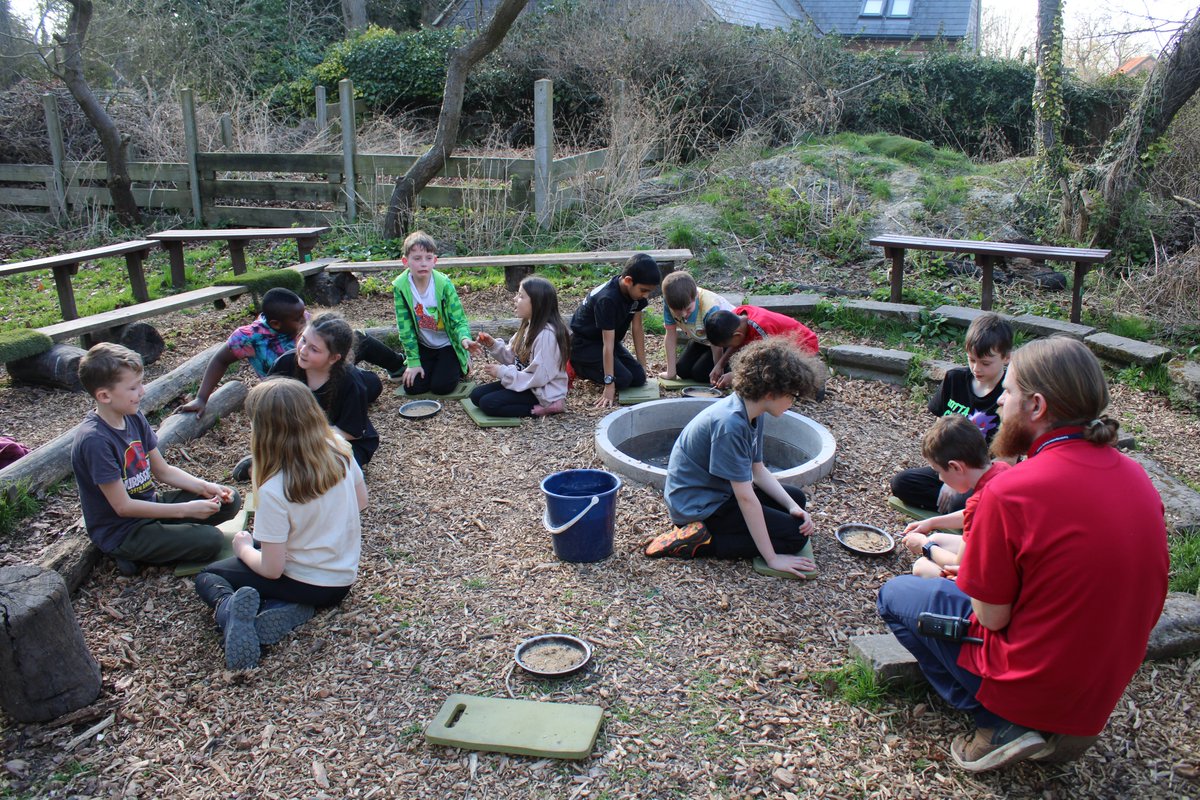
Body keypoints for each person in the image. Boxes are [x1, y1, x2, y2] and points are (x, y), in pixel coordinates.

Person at [877, 337, 1168, 773]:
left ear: (1036, 406)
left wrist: (939, 561)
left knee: (897, 594)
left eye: (1008, 393)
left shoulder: (1013, 490)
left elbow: (991, 617)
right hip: (1100, 688)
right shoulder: (1137, 477)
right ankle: (1060, 724)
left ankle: (999, 721)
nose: (998, 405)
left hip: (1035, 677)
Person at [193, 379, 366, 670]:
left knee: (208, 576)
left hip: (306, 581)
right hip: (342, 580)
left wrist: (244, 548)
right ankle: (282, 610)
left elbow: (272, 569)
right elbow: (361, 502)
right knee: (267, 550)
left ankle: (229, 611)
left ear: (262, 430)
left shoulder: (275, 488)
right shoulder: (339, 447)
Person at [644, 338, 824, 577]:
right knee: (793, 538)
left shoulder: (752, 411)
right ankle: (700, 542)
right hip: (698, 508)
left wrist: (791, 507)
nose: (792, 402)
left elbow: (758, 471)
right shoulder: (730, 425)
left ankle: (728, 531)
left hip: (717, 494)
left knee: (796, 499)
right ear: (771, 392)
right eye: (792, 395)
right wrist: (772, 558)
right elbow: (746, 498)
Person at [71, 343, 241, 575]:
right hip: (123, 530)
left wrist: (206, 487)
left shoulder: (132, 416)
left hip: (149, 506)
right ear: (104, 395)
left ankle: (160, 539)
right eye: (133, 387)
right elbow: (122, 507)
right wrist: (186, 510)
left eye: (140, 384)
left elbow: (163, 471)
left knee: (230, 500)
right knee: (211, 541)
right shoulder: (95, 441)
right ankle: (125, 552)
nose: (142, 392)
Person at [890, 312, 1012, 513]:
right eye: (971, 359)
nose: (976, 368)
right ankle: (961, 512)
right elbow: (941, 436)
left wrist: (962, 482)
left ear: (1006, 357)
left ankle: (962, 510)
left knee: (961, 502)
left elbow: (1007, 461)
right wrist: (949, 477)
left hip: (985, 479)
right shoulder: (955, 379)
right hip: (950, 469)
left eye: (985, 363)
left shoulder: (1008, 394)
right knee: (902, 483)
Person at [899, 415, 1010, 579]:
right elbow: (971, 513)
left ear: (955, 467)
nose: (939, 478)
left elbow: (960, 565)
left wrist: (925, 546)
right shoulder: (1002, 469)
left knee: (922, 566)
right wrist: (931, 522)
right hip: (1002, 555)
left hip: (1001, 575)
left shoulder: (983, 500)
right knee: (937, 538)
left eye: (939, 471)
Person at [268, 313, 380, 468]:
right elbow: (264, 405)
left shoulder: (351, 382)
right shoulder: (284, 364)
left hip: (339, 439)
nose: (303, 350)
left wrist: (304, 438)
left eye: (314, 349)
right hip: (293, 437)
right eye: (304, 340)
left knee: (322, 469)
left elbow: (351, 432)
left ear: (334, 358)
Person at [176, 288, 308, 419]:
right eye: (299, 319)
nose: (306, 319)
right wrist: (201, 398)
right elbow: (220, 360)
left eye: (304, 313)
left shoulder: (302, 321)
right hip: (280, 402)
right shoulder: (250, 337)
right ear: (276, 324)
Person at [569, 253, 661, 408]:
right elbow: (608, 344)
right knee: (624, 380)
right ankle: (578, 365)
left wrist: (642, 365)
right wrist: (609, 383)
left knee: (638, 378)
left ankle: (607, 369)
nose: (646, 295)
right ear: (628, 281)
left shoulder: (636, 296)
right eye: (643, 290)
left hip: (606, 341)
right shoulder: (608, 300)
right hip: (585, 344)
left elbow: (637, 328)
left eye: (649, 292)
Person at [469, 276, 570, 417]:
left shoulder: (546, 335)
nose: (515, 299)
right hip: (526, 383)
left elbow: (539, 377)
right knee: (476, 396)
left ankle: (549, 407)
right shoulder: (528, 326)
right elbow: (514, 358)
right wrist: (493, 345)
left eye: (521, 296)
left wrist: (502, 373)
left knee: (488, 404)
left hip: (542, 391)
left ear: (537, 303)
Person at [392, 230, 474, 396]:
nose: (423, 264)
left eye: (428, 258)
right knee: (412, 387)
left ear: (434, 261)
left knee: (441, 387)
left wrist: (464, 338)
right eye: (417, 258)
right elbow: (405, 327)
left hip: (447, 344)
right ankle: (430, 366)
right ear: (405, 261)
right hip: (425, 344)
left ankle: (460, 361)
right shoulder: (400, 287)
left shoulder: (443, 284)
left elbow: (459, 320)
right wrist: (413, 361)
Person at [705, 305, 819, 389]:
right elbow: (737, 343)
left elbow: (768, 362)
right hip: (776, 346)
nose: (728, 347)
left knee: (768, 376)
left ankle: (813, 380)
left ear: (737, 335)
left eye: (728, 345)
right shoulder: (737, 316)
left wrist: (735, 375)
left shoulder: (762, 329)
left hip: (804, 347)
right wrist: (720, 364)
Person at [657, 271, 735, 384]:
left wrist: (719, 370)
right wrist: (671, 372)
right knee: (682, 371)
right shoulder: (669, 303)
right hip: (702, 338)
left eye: (688, 309)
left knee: (700, 374)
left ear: (696, 296)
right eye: (678, 311)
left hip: (725, 341)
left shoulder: (710, 308)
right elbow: (670, 334)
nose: (683, 314)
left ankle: (732, 367)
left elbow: (716, 344)